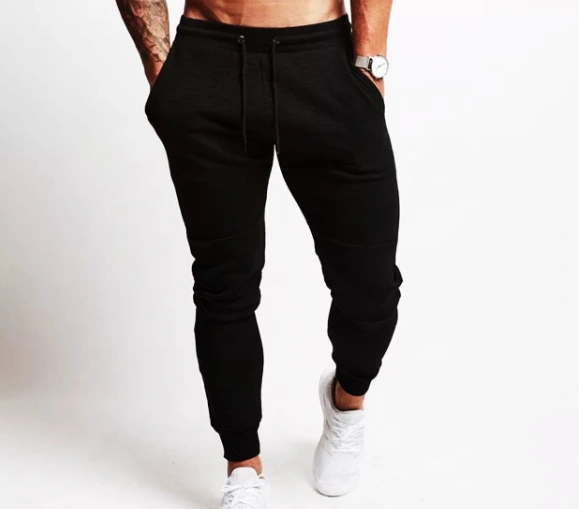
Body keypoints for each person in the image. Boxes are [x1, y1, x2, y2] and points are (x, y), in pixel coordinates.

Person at [115, 0, 402, 507]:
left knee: (370, 285)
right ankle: (242, 466)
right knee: (225, 285)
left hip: (322, 62)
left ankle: (346, 401)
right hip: (209, 61)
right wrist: (162, 71)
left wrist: (369, 64)